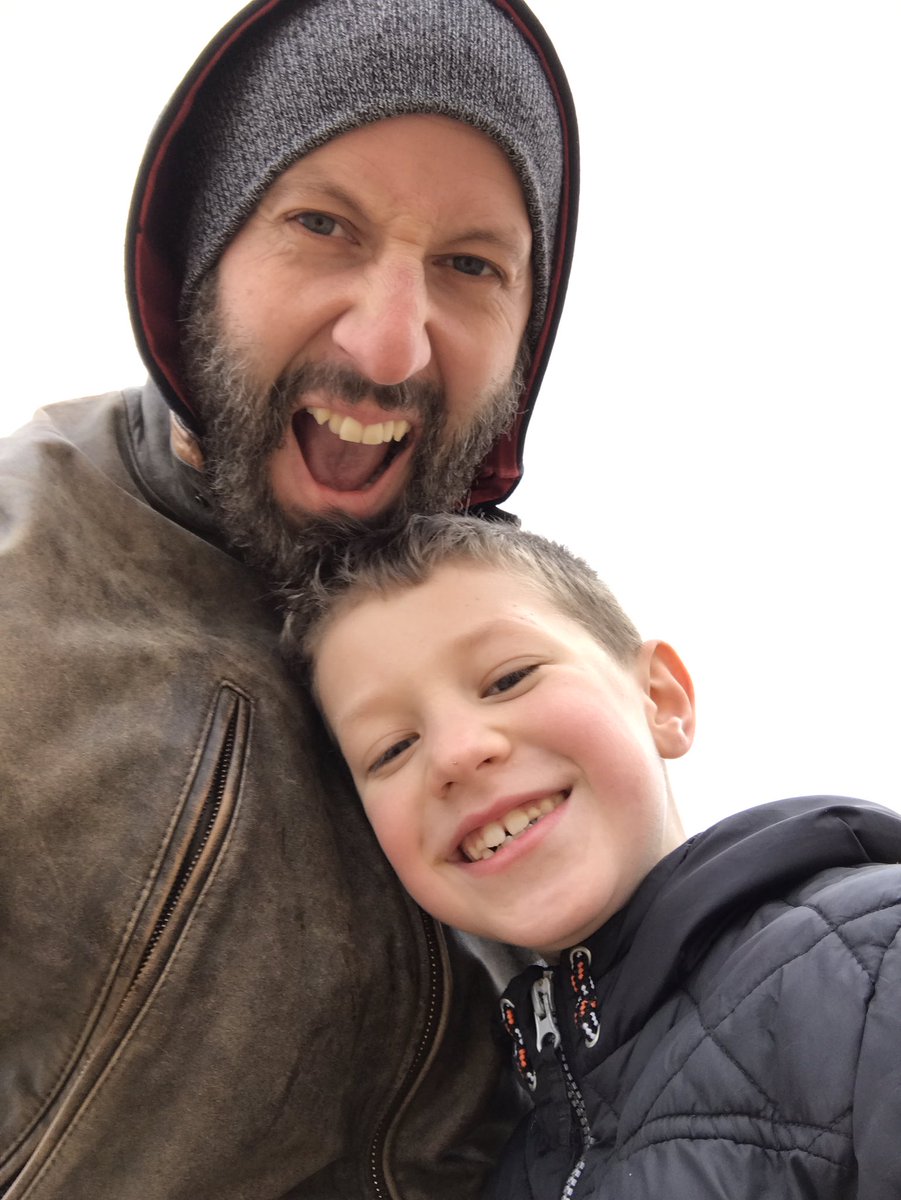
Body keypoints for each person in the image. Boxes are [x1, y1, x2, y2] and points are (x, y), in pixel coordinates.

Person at [0, 2, 578, 1198]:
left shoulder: (549, 681)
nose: (387, 348)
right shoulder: (19, 582)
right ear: (198, 259)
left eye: (470, 266)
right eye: (321, 225)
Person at [295, 512, 901, 1200]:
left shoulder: (874, 957)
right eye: (391, 748)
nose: (457, 753)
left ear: (660, 700)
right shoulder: (514, 1155)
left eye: (507, 679)